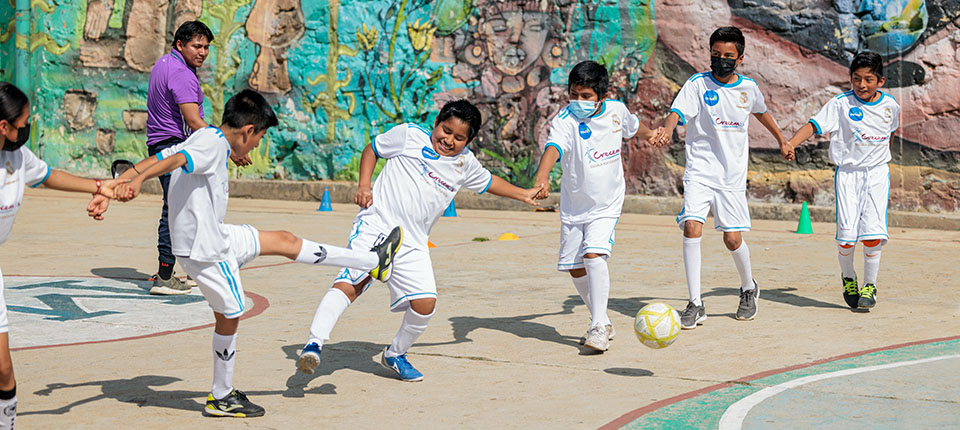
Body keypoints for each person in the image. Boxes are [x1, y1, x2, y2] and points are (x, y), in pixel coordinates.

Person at [103, 89, 402, 417]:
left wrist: (113, 184)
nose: (257, 146)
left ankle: (373, 260)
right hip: (208, 250)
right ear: (248, 130)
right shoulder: (211, 144)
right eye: (259, 139)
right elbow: (171, 161)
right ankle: (221, 395)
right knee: (230, 314)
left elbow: (159, 157)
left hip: (216, 235)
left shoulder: (208, 136)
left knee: (283, 241)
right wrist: (138, 182)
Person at [296, 100, 543, 381]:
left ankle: (394, 354)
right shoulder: (409, 135)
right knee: (353, 282)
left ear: (469, 140)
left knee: (425, 304)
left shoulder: (465, 164)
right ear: (437, 122)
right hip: (377, 224)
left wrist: (523, 194)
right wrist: (364, 185)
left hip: (412, 241)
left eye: (458, 137)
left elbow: (489, 182)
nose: (448, 140)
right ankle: (314, 344)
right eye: (445, 130)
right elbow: (372, 150)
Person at [0, 82, 125, 428]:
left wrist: (102, 187)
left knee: (3, 368)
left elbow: (50, 176)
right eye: (24, 122)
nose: (27, 128)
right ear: (4, 126)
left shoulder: (17, 157)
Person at [653, 26, 791, 329]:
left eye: (728, 56)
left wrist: (782, 140)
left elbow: (762, 112)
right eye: (716, 55)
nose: (721, 61)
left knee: (732, 239)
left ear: (739, 58)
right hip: (700, 171)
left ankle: (748, 287)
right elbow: (677, 112)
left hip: (730, 177)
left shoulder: (748, 88)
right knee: (691, 227)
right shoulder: (698, 84)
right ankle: (695, 303)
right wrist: (666, 128)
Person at [531, 60, 663, 352]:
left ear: (601, 96)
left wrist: (652, 134)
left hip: (607, 201)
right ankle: (601, 318)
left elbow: (633, 127)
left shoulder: (616, 110)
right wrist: (542, 177)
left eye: (586, 96)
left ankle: (598, 326)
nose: (579, 101)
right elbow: (553, 148)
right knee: (575, 267)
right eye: (574, 94)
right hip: (574, 205)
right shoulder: (564, 120)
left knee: (593, 255)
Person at [782, 51, 899, 309]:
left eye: (868, 79)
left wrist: (882, 158)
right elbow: (813, 125)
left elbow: (890, 133)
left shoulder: (891, 106)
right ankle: (849, 278)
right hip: (848, 175)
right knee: (847, 238)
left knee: (873, 234)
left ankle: (870, 285)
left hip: (878, 174)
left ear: (880, 81)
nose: (862, 85)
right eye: (856, 79)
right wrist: (791, 143)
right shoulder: (840, 104)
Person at [143, 20, 225, 295]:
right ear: (180, 44)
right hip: (173, 146)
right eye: (196, 46)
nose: (202, 52)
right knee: (176, 211)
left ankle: (176, 270)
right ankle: (165, 276)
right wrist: (226, 144)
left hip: (159, 143)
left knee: (183, 207)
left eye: (206, 47)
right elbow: (192, 119)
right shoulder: (182, 73)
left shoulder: (164, 63)